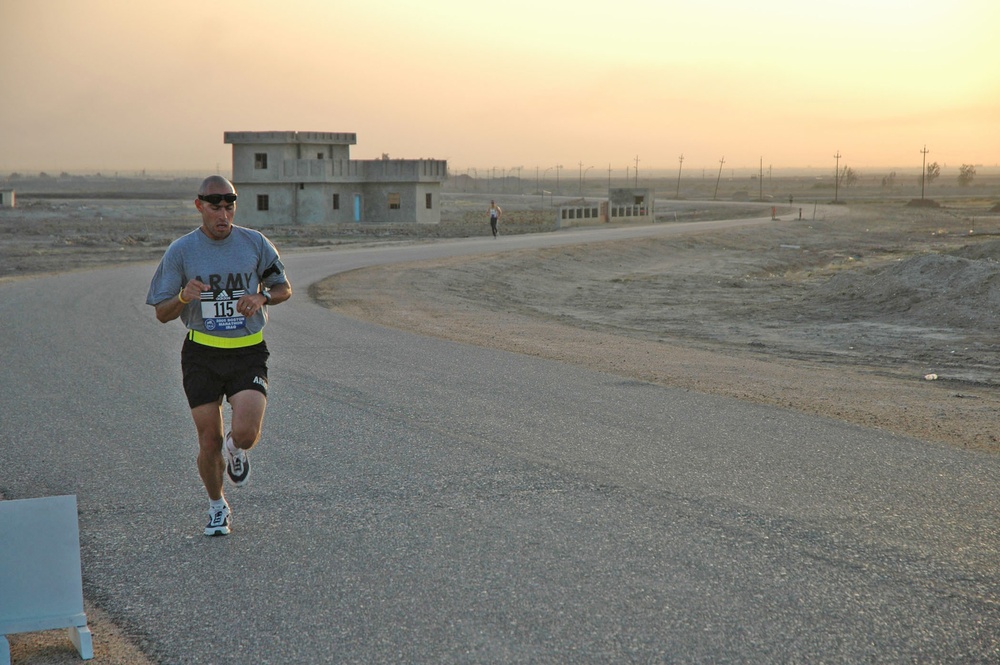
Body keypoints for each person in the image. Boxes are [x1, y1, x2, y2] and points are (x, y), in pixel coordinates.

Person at [146, 175, 292, 536]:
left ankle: (235, 448)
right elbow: (161, 314)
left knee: (244, 433)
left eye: (229, 207)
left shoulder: (255, 243)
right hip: (201, 354)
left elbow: (283, 288)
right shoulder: (181, 251)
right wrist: (183, 297)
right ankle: (217, 507)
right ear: (200, 207)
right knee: (207, 439)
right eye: (215, 207)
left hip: (247, 351)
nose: (223, 215)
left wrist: (262, 297)